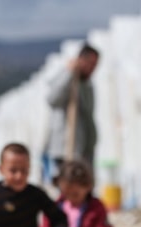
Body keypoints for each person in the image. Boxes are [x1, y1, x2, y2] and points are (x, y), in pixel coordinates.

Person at [43, 43, 100, 183]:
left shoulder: (87, 84)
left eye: (95, 65)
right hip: (66, 145)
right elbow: (52, 99)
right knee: (68, 184)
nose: (93, 68)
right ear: (81, 60)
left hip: (84, 147)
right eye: (90, 63)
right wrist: (69, 74)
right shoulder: (65, 77)